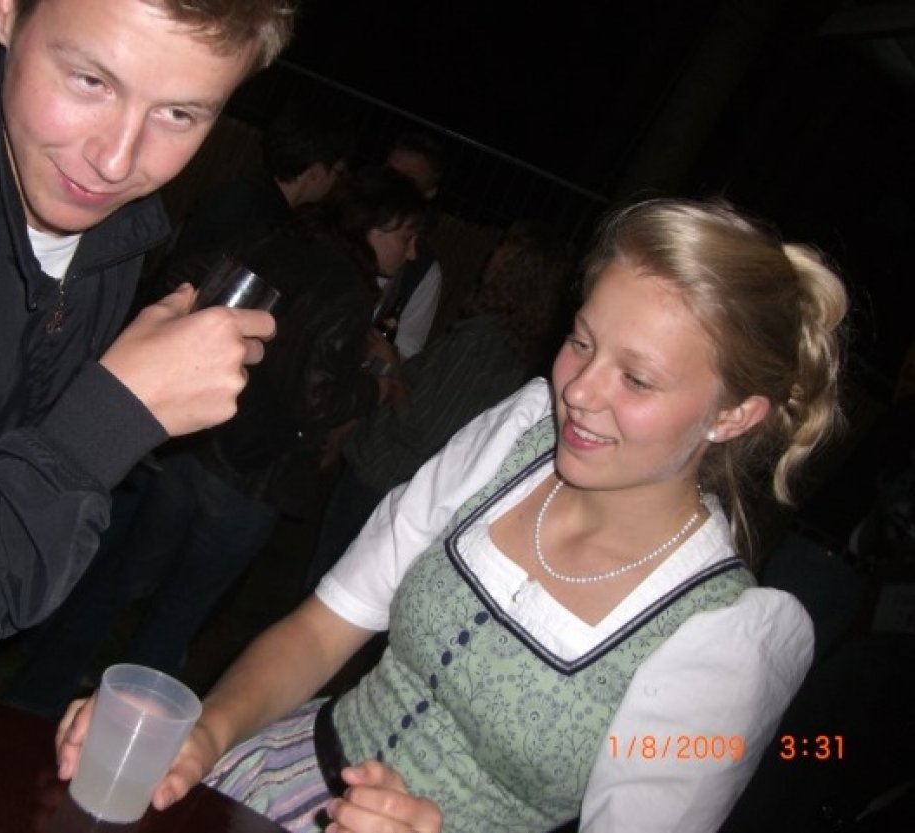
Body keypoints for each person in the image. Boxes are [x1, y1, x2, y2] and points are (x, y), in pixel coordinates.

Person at [56, 197, 848, 832]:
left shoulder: (727, 638)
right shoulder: (518, 433)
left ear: (735, 415)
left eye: (636, 379)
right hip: (271, 777)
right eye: (581, 343)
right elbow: (324, 628)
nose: (579, 390)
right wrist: (206, 732)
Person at [0, 0, 295, 733]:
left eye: (178, 114)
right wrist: (106, 423)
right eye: (90, 81)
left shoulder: (107, 232)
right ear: (6, 11)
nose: (117, 160)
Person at [4, 166, 425, 716]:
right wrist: (374, 386)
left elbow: (199, 285)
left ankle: (30, 699)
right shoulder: (347, 287)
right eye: (406, 235)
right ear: (375, 224)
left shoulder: (286, 240)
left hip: (199, 441)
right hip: (252, 477)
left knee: (121, 578)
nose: (412, 252)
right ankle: (121, 732)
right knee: (177, 613)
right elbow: (317, 398)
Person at [305, 219, 572, 591]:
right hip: (403, 488)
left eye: (504, 250)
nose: (492, 255)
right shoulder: (514, 344)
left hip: (385, 482)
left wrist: (391, 368)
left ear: (520, 270)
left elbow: (424, 428)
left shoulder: (482, 342)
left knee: (329, 589)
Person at [169, 99, 354, 264]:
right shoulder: (259, 218)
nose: (338, 182)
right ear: (316, 172)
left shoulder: (252, 197)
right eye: (338, 172)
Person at [375, 132, 447, 359]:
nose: (393, 187)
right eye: (389, 174)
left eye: (407, 181)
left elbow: (405, 351)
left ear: (429, 192)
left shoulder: (422, 269)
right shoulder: (338, 223)